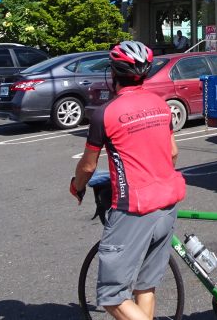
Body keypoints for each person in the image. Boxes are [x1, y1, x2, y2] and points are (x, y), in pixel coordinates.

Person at [70, 41, 186, 320]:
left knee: (112, 296)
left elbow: (87, 166)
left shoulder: (106, 114)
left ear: (113, 74)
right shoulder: (159, 105)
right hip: (167, 204)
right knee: (145, 286)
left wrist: (77, 186)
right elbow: (172, 152)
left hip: (134, 209)